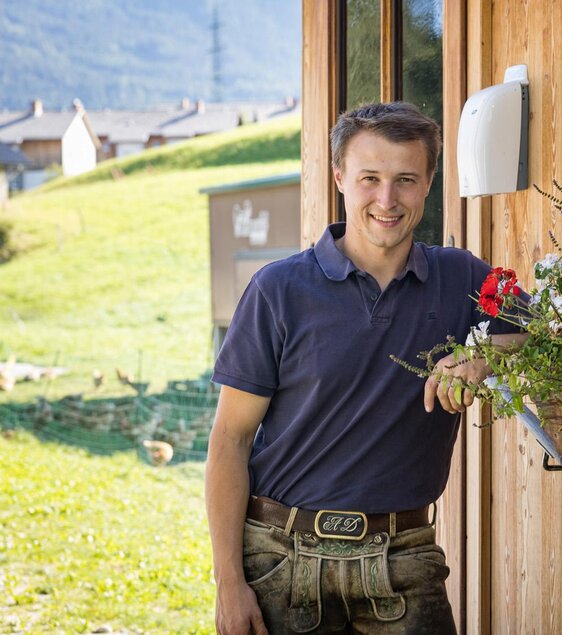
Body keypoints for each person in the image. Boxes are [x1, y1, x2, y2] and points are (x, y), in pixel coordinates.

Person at [205, 102, 524, 634]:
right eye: (369, 178)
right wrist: (228, 584)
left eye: (405, 180)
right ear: (339, 178)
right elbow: (230, 441)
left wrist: (485, 357)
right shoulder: (278, 290)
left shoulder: (462, 277)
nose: (386, 199)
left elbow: (546, 337)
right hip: (281, 562)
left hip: (404, 561)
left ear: (428, 184)